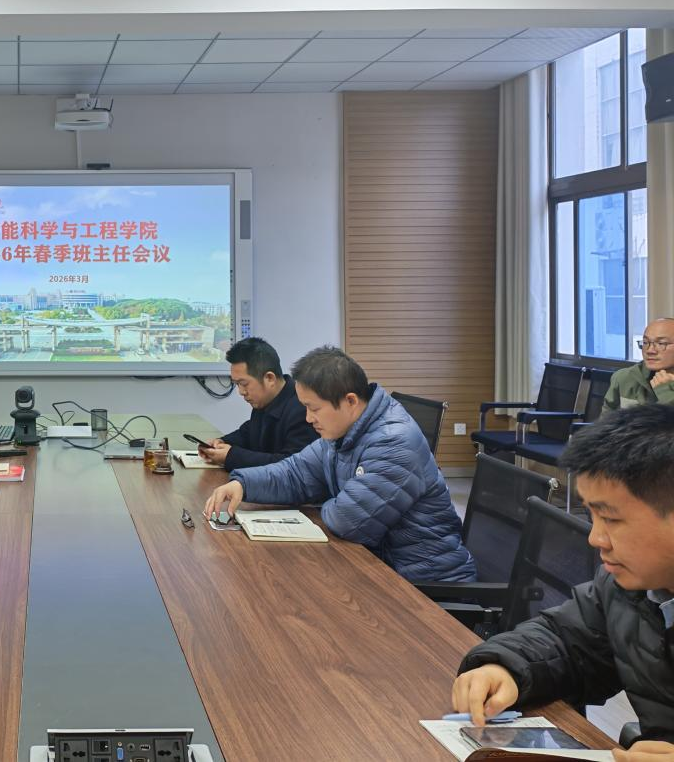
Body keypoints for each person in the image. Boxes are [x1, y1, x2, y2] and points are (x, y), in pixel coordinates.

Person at [452, 405, 674, 758]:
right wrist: (506, 667)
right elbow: (570, 642)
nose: (595, 538)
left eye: (612, 519)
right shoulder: (627, 587)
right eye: (592, 515)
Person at [205, 345, 475, 583]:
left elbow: (348, 521)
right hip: (379, 566)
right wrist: (243, 484)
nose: (308, 418)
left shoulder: (393, 442)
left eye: (314, 409)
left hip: (426, 585)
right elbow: (296, 473)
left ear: (350, 401)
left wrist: (325, 499)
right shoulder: (340, 432)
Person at [200, 336, 316, 472]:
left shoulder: (302, 409)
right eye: (237, 384)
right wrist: (221, 442)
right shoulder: (265, 401)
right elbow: (249, 433)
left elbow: (291, 466)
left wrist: (231, 457)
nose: (241, 392)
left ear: (269, 378)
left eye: (244, 384)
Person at [602, 317, 674, 414]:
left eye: (661, 343)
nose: (650, 350)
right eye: (645, 342)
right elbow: (605, 421)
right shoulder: (624, 378)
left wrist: (666, 393)